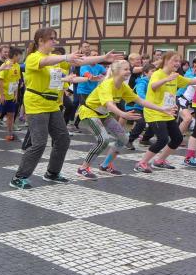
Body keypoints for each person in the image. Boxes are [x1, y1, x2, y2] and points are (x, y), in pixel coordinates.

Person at [10, 29, 120, 189]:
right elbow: (45, 61)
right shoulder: (34, 57)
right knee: (39, 143)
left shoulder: (55, 59)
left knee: (63, 139)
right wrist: (66, 57)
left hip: (52, 104)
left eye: (55, 38)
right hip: (36, 104)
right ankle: (19, 177)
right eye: (51, 39)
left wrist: (103, 58)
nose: (55, 41)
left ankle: (52, 173)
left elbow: (80, 61)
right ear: (40, 40)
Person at [75, 60, 174, 179]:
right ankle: (83, 168)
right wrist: (123, 114)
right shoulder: (107, 84)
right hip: (89, 113)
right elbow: (109, 105)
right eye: (125, 69)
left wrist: (162, 109)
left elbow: (140, 101)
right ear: (116, 71)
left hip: (103, 115)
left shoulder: (123, 86)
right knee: (103, 139)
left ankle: (105, 166)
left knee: (123, 138)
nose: (129, 71)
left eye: (129, 69)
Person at [134, 51, 196, 173]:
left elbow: (191, 81)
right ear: (166, 61)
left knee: (177, 138)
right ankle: (141, 163)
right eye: (175, 61)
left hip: (168, 113)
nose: (178, 63)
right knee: (162, 139)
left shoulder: (175, 75)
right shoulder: (158, 74)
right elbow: (153, 86)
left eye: (179, 61)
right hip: (154, 112)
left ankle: (159, 161)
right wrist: (166, 79)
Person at [0, 47, 22, 142]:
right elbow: (0, 81)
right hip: (2, 95)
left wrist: (15, 94)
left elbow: (16, 81)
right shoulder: (5, 65)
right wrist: (1, 95)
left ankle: (10, 134)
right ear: (14, 55)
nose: (20, 58)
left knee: (11, 114)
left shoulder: (17, 66)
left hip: (11, 95)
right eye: (19, 56)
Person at [125, 63, 156, 150]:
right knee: (141, 122)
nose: (154, 73)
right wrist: (150, 102)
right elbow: (140, 94)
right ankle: (129, 141)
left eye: (155, 71)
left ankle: (145, 139)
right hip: (134, 106)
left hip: (146, 106)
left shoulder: (155, 82)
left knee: (156, 121)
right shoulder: (142, 82)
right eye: (152, 71)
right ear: (145, 73)